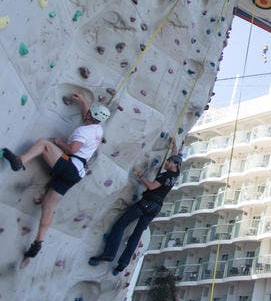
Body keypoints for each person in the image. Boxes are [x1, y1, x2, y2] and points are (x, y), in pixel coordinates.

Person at [2, 93, 109, 258]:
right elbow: (89, 116)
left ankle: (20, 160)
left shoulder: (83, 131)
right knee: (49, 206)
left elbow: (73, 149)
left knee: (45, 144)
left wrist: (59, 142)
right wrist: (82, 101)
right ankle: (38, 242)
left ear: (90, 116)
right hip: (76, 174)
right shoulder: (98, 129)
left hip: (70, 165)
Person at [89, 153, 182, 275]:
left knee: (121, 224)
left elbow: (151, 186)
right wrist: (174, 146)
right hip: (156, 207)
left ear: (174, 164)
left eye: (169, 161)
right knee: (136, 235)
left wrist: (140, 175)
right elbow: (176, 156)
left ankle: (109, 254)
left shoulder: (166, 176)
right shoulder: (175, 174)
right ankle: (122, 264)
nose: (166, 163)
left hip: (147, 203)